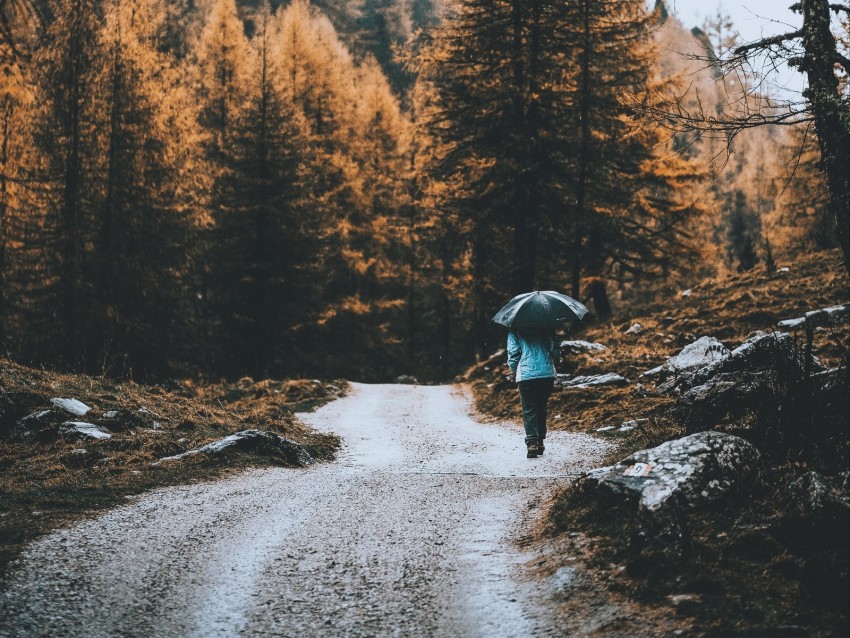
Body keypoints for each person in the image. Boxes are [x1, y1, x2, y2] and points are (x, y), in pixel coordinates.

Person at [507, 327, 559, 458]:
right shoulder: (546, 326)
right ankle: (540, 441)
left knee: (529, 408)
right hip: (546, 374)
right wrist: (553, 359)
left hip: (526, 374)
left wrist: (513, 370)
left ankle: (532, 443)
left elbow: (514, 353)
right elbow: (556, 348)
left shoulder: (515, 330)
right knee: (541, 407)